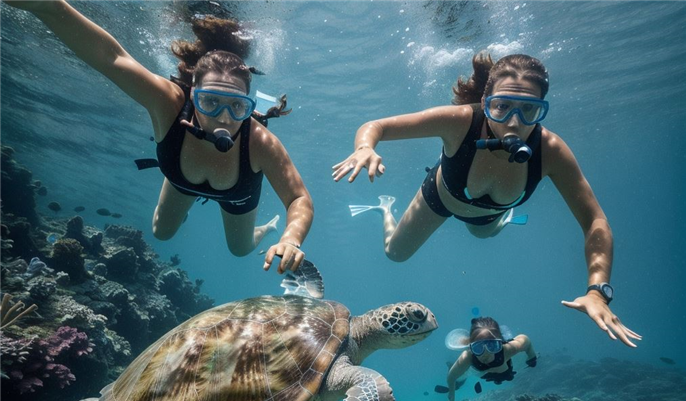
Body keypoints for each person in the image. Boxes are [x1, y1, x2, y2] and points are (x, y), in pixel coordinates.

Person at [332, 52, 640, 347]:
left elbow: (595, 221)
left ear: (542, 109)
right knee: (395, 254)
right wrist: (364, 148)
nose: (514, 123)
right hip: (439, 199)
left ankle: (501, 219)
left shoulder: (551, 151)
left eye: (529, 110)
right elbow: (377, 127)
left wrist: (598, 291)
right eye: (502, 107)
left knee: (483, 233)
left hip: (488, 216)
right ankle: (386, 209)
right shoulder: (459, 122)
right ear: (485, 102)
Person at [3, 1, 313, 274]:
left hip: (237, 194)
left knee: (240, 249)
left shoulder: (260, 144)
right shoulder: (168, 103)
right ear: (192, 95)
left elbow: (298, 198)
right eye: (210, 102)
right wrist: (49, 5)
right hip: (181, 179)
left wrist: (290, 238)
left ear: (250, 107)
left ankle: (267, 228)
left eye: (237, 107)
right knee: (160, 233)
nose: (223, 118)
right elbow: (111, 57)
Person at [436, 317, 537, 401]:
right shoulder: (468, 357)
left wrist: (532, 357)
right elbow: (451, 377)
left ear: (500, 344)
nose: (486, 353)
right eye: (478, 348)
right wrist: (451, 400)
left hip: (502, 370)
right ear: (471, 348)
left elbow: (525, 340)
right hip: (478, 372)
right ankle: (455, 371)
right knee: (459, 379)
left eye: (492, 346)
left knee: (510, 373)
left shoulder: (507, 350)